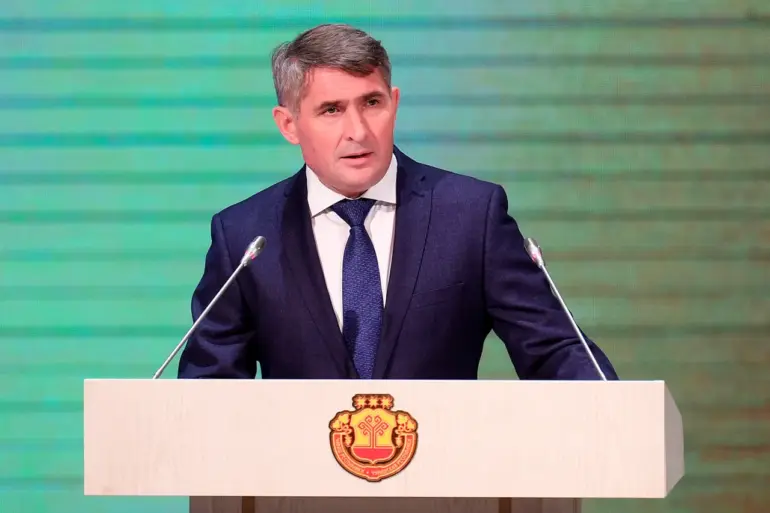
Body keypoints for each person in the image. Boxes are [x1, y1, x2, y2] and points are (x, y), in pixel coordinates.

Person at [176, 23, 618, 381]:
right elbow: (208, 389)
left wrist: (611, 414)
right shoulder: (245, 237)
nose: (358, 131)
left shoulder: (470, 215)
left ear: (395, 103)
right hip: (298, 470)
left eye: (372, 103)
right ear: (288, 124)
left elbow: (555, 349)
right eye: (332, 110)